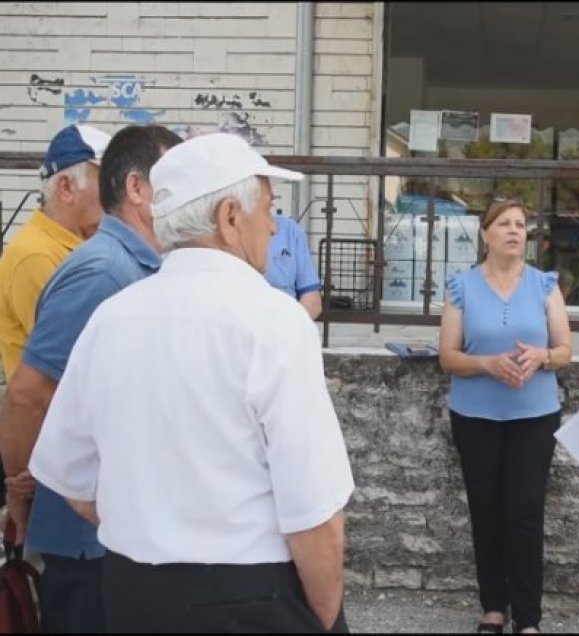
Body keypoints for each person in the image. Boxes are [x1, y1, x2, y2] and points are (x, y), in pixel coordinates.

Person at [26, 132, 354, 633]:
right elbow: (316, 517)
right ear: (228, 218)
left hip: (134, 590)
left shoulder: (114, 317)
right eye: (266, 208)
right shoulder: (274, 321)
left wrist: (150, 531)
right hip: (250, 595)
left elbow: (68, 472)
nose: (272, 226)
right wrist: (326, 621)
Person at [0, 124, 182, 633]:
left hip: (111, 527)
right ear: (138, 191)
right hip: (86, 535)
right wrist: (19, 491)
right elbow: (29, 392)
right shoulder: (103, 272)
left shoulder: (132, 264)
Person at [438, 198, 573, 635]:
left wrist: (543, 356)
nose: (516, 231)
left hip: (534, 417)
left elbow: (566, 352)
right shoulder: (461, 286)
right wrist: (487, 364)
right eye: (505, 224)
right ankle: (493, 607)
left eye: (521, 225)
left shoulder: (544, 285)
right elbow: (448, 357)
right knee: (486, 509)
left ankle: (528, 618)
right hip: (475, 416)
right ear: (486, 234)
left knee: (525, 510)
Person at [0, 124, 110, 515]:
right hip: (50, 454)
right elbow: (58, 374)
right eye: (105, 180)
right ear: (66, 187)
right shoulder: (38, 256)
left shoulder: (76, 248)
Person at [265, 213, 323, 319]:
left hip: (286, 325)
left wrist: (290, 329)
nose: (273, 230)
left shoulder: (289, 229)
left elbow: (312, 300)